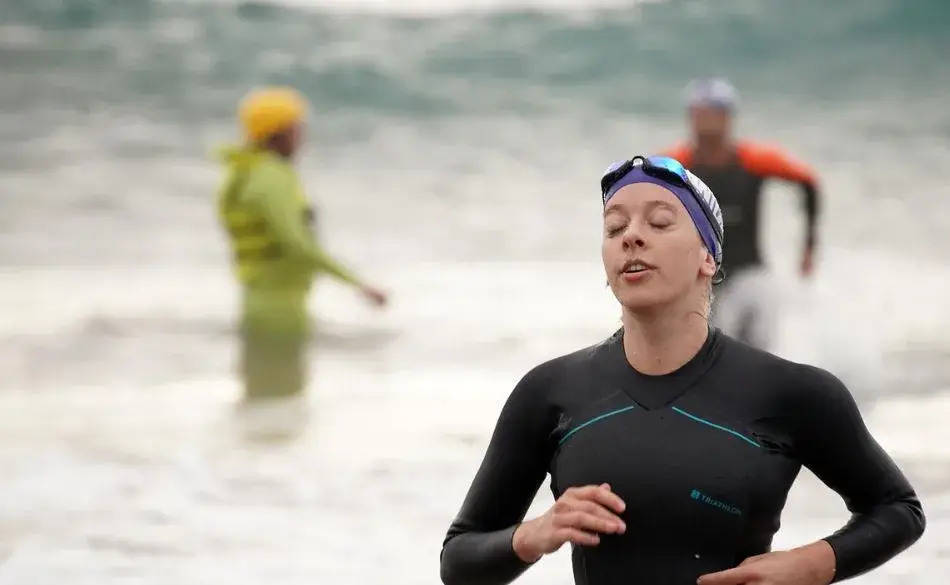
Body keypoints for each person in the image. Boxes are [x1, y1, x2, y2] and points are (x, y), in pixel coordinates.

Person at [439, 155, 924, 585]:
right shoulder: (551, 393)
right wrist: (533, 534)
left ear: (708, 257)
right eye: (614, 229)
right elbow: (458, 560)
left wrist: (813, 564)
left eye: (660, 222)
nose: (631, 235)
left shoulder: (791, 392)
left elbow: (898, 510)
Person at [215, 86, 388, 404]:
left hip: (257, 302)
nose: (302, 137)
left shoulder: (243, 173)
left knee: (260, 397)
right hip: (283, 308)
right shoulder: (273, 178)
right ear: (278, 133)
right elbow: (297, 244)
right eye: (297, 129)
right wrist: (359, 284)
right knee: (285, 399)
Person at [660, 78, 820, 351]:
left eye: (716, 113)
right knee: (705, 348)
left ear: (728, 118)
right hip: (700, 277)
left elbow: (808, 182)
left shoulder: (754, 161)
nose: (708, 122)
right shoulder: (675, 166)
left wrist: (808, 246)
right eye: (701, 113)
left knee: (758, 342)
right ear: (691, 117)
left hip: (750, 272)